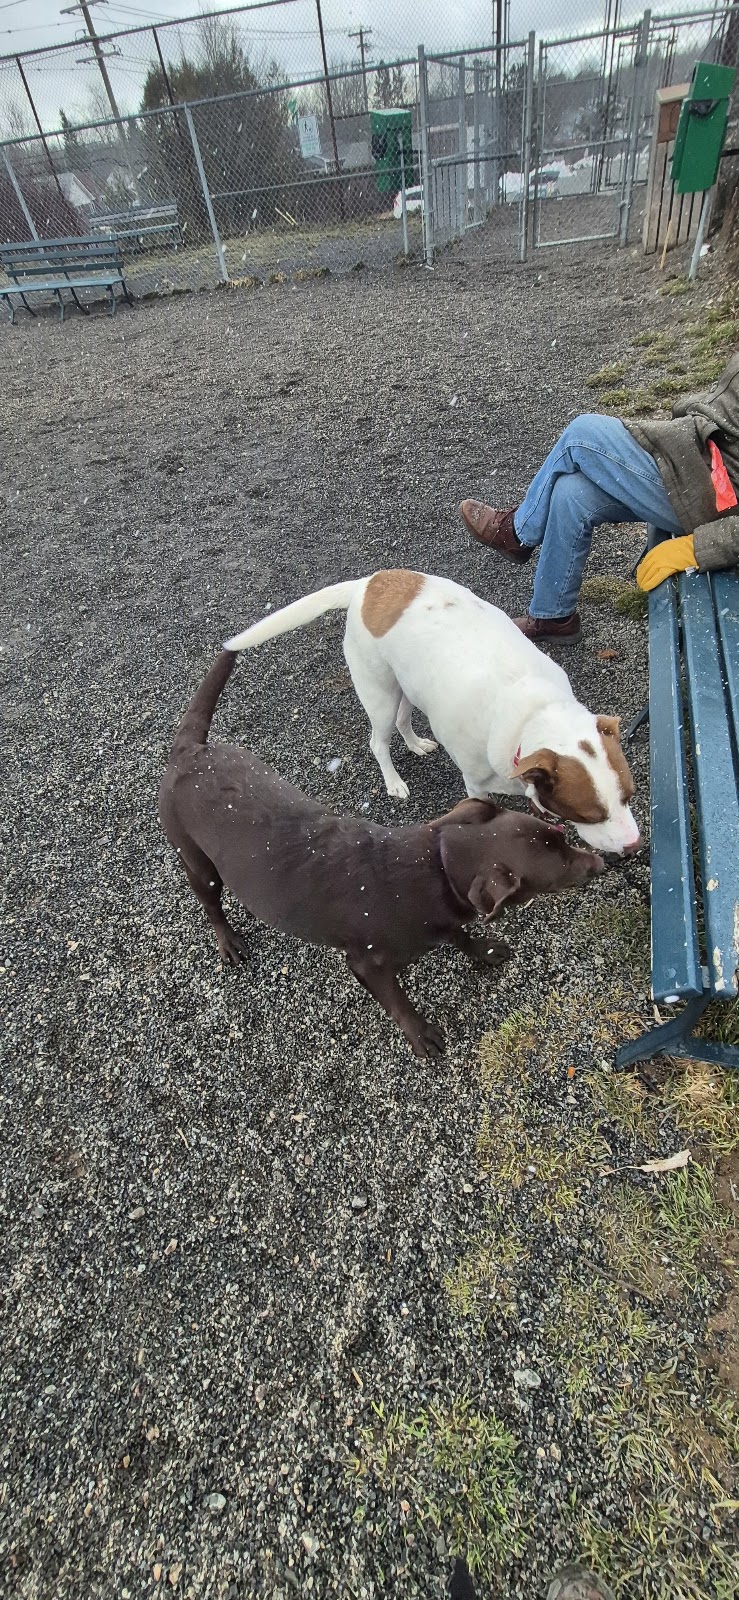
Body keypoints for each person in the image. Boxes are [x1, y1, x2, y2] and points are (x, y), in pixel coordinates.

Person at [459, 352, 739, 644]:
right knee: (572, 493)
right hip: (695, 462)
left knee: (582, 434)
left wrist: (698, 547)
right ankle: (553, 617)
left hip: (711, 497)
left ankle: (516, 533)